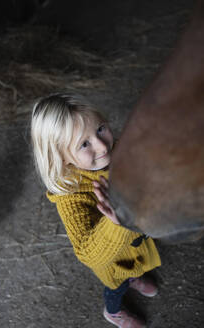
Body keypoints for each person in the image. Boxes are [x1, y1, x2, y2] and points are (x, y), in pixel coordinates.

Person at [31, 93, 161, 328]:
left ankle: (135, 275)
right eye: (84, 144)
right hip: (112, 262)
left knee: (135, 265)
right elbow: (87, 252)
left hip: (136, 243)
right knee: (116, 287)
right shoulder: (71, 196)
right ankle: (113, 311)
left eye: (101, 129)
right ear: (60, 156)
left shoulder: (117, 152)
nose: (102, 145)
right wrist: (116, 224)